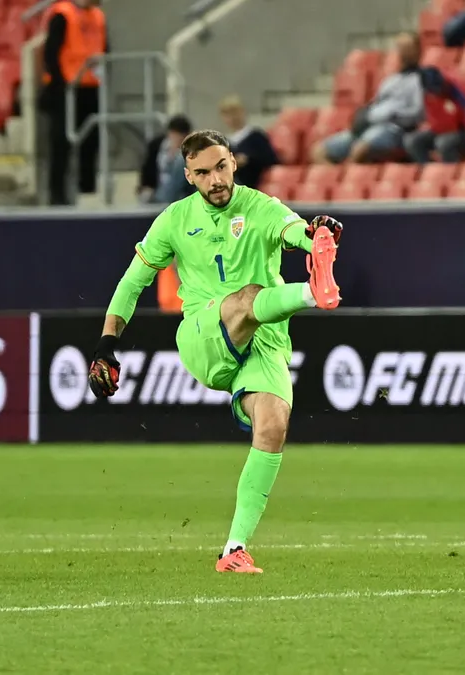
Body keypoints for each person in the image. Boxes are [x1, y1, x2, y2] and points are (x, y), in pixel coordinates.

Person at [87, 130, 342, 574]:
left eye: (221, 167)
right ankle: (311, 292)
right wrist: (107, 344)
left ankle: (234, 549)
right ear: (188, 176)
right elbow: (132, 283)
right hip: (203, 336)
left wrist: (315, 233)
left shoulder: (260, 207)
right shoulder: (174, 219)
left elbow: (293, 230)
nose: (215, 179)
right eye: (203, 172)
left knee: (273, 425)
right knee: (248, 296)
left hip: (264, 341)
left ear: (233, 163)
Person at [311, 32, 423, 165]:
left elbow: (418, 113)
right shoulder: (390, 81)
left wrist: (391, 115)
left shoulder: (420, 80)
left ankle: (349, 176)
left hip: (393, 130)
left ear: (417, 52)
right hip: (369, 126)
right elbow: (376, 104)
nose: (403, 53)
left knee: (359, 150)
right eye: (400, 48)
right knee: (319, 151)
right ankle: (339, 176)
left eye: (407, 49)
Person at [40, 0, 108, 205]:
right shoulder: (62, 14)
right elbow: (50, 54)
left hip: (91, 87)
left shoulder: (98, 16)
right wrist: (62, 84)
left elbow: (105, 48)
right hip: (66, 89)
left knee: (91, 140)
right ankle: (57, 196)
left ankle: (87, 190)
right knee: (61, 143)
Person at [405, 66, 465, 164]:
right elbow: (434, 122)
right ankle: (429, 170)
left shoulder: (461, 92)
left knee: (443, 142)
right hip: (442, 129)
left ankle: (452, 171)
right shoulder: (426, 93)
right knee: (412, 141)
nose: (437, 93)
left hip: (464, 131)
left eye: (438, 89)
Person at [219, 95, 279, 189]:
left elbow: (271, 159)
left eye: (235, 112)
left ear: (242, 112)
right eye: (227, 114)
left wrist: (248, 159)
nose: (232, 117)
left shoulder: (256, 136)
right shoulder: (223, 142)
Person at [139, 115, 194, 204]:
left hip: (179, 194)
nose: (178, 140)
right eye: (175, 136)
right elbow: (147, 169)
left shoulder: (188, 152)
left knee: (180, 160)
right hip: (157, 190)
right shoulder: (156, 146)